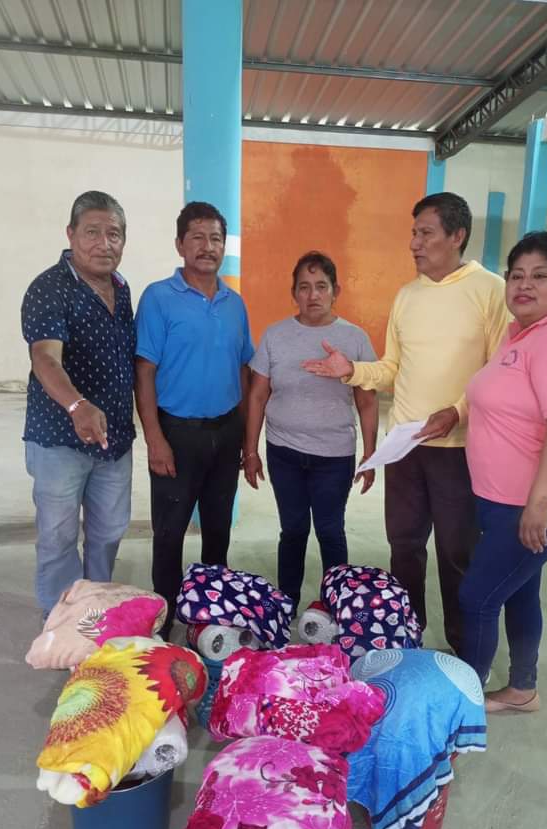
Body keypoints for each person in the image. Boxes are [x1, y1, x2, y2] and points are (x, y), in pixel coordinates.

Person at [302, 193, 508, 653]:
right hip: (405, 447)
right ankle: (407, 641)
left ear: (457, 236)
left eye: (425, 233)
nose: (414, 243)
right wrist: (352, 371)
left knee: (457, 554)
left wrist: (457, 411)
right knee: (404, 547)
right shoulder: (407, 295)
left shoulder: (490, 291)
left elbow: (499, 371)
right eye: (413, 233)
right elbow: (392, 367)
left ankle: (465, 651)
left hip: (459, 449)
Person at [459, 231, 547, 712]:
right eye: (516, 275)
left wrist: (538, 503)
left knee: (478, 597)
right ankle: (522, 688)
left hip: (540, 504)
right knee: (519, 589)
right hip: (504, 499)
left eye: (540, 275)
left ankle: (462, 706)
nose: (524, 285)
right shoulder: (522, 332)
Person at [134, 201, 253, 633]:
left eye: (216, 238)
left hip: (226, 431)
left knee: (218, 532)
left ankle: (209, 622)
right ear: (180, 244)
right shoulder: (158, 298)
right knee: (170, 534)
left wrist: (246, 438)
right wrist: (155, 438)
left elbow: (244, 370)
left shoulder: (234, 304)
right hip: (176, 434)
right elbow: (144, 372)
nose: (208, 246)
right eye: (198, 237)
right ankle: (164, 623)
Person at [244, 251, 379, 614]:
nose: (313, 295)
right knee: (293, 530)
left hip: (334, 456)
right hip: (283, 451)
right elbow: (257, 396)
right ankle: (286, 603)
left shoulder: (354, 338)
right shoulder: (275, 335)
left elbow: (367, 401)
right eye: (304, 287)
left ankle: (337, 606)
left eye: (321, 286)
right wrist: (251, 451)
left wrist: (371, 454)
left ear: (336, 291)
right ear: (294, 293)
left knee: (330, 531)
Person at [22, 190, 135, 620]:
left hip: (114, 441)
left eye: (114, 234)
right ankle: (61, 620)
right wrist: (77, 406)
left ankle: (94, 609)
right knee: (58, 536)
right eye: (92, 232)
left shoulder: (121, 288)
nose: (104, 243)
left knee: (109, 531)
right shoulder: (49, 288)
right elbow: (45, 357)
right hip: (59, 440)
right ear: (70, 234)